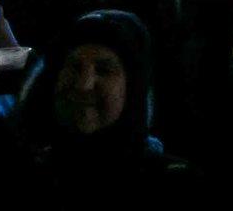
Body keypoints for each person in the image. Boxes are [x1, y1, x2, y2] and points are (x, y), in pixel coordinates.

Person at [12, 10, 186, 195]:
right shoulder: (17, 171)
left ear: (133, 89)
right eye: (74, 67)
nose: (84, 85)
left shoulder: (171, 186)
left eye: (104, 70)